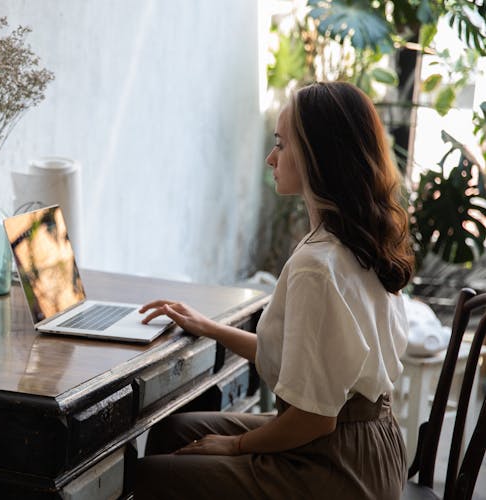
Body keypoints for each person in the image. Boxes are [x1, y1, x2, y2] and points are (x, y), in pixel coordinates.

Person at [134, 81, 414, 500]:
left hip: (338, 466)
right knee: (176, 432)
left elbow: (313, 420)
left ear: (317, 156)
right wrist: (209, 327)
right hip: (375, 445)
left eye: (281, 145)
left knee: (152, 475)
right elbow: (307, 363)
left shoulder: (317, 266)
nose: (270, 158)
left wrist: (235, 445)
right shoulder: (356, 241)